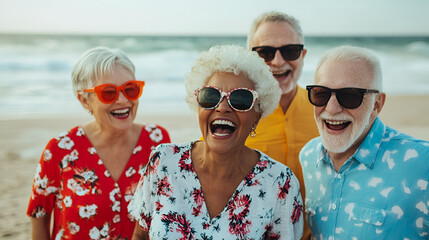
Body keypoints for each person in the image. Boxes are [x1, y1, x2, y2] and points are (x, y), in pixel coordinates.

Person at [128, 45, 303, 239]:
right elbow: (140, 236)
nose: (222, 107)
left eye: (241, 99)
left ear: (257, 116)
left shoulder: (280, 184)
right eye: (210, 96)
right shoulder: (163, 161)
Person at [26, 46, 171, 239]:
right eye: (108, 92)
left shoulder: (157, 141)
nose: (123, 100)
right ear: (84, 100)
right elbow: (39, 216)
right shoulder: (59, 150)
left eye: (130, 89)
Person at [300, 45, 429, 239]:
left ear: (377, 104)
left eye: (350, 96)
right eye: (321, 94)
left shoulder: (422, 163)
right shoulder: (308, 156)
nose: (332, 108)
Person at [246, 11, 319, 239]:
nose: (278, 61)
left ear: (303, 54)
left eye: (290, 51)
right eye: (266, 52)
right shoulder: (235, 113)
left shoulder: (326, 109)